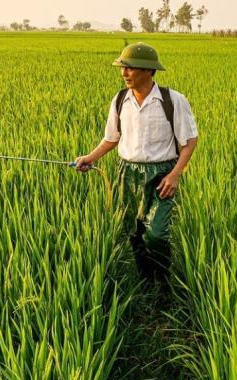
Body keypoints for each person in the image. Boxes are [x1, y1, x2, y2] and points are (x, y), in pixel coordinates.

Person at [74, 42, 198, 284]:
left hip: (161, 175)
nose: (124, 73)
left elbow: (190, 140)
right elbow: (111, 139)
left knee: (156, 235)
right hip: (128, 173)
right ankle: (144, 281)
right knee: (133, 232)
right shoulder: (120, 100)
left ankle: (162, 282)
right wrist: (89, 158)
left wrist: (175, 174)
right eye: (123, 68)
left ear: (149, 71)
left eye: (130, 68)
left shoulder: (172, 100)